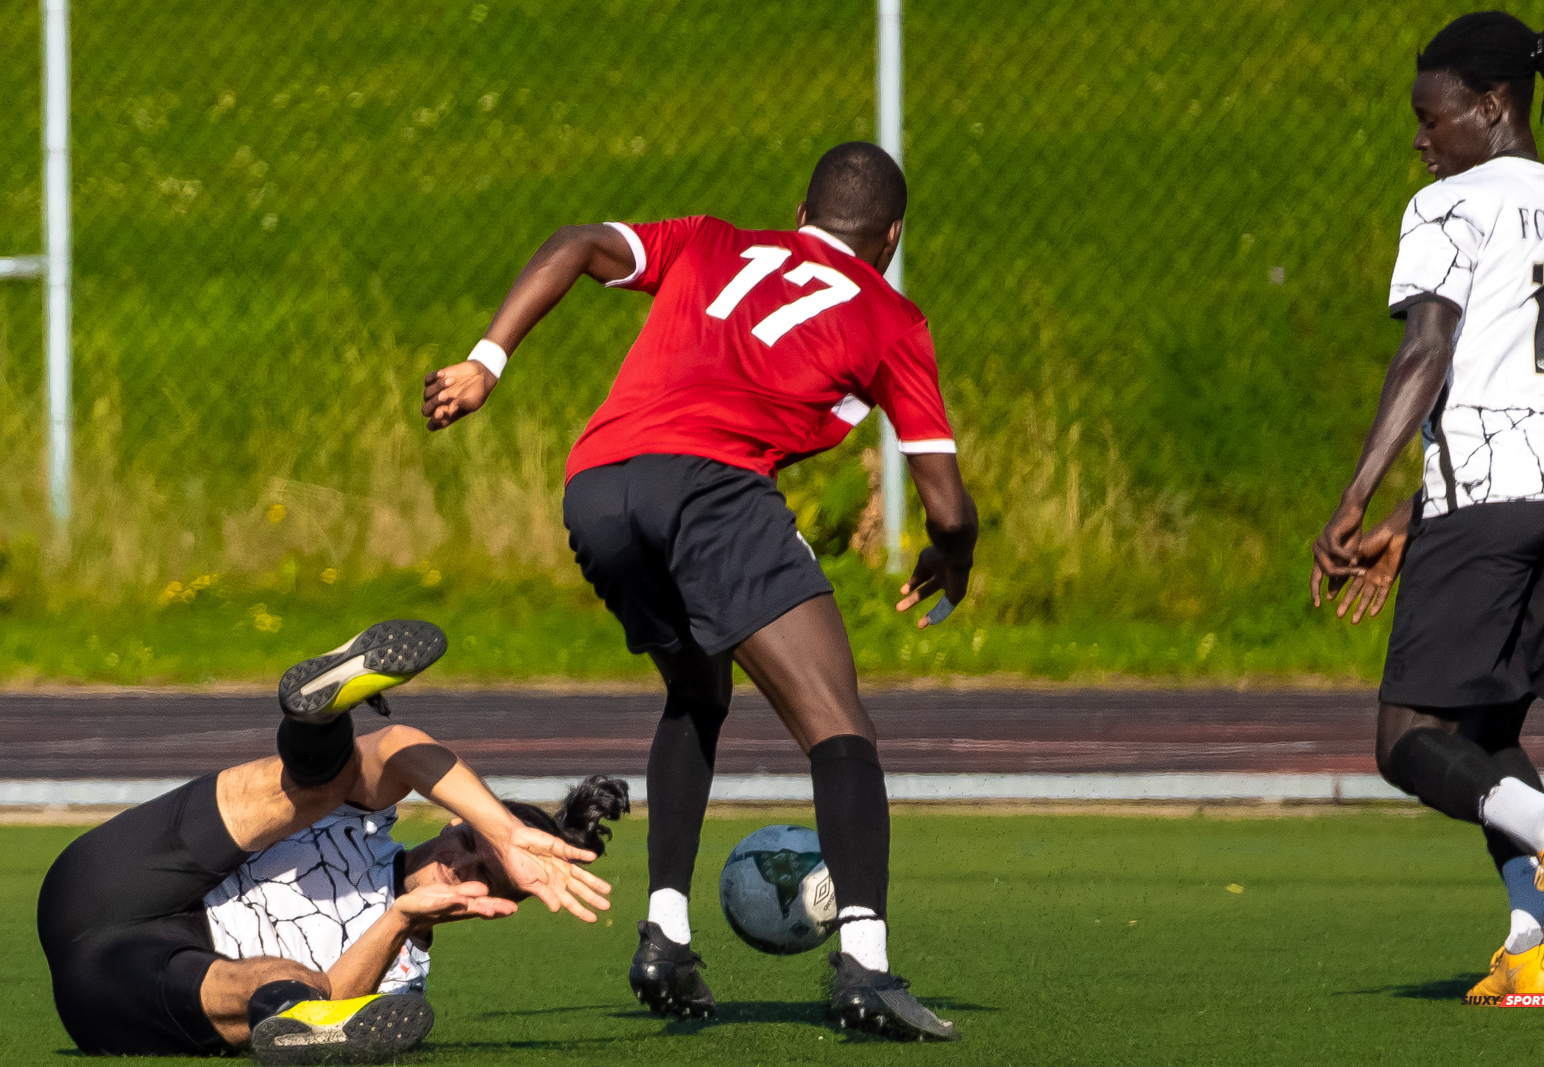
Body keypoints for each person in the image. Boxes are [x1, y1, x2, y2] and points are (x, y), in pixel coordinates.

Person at [421, 142, 977, 1041]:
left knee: (697, 688)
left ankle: (667, 935)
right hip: (709, 488)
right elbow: (945, 503)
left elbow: (572, 240)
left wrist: (487, 361)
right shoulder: (890, 317)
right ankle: (866, 965)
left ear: (801, 210)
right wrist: (957, 553)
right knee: (839, 725)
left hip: (598, 486)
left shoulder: (714, 241)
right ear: (893, 236)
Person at [1311, 3, 1544, 1006]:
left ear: (1489, 104)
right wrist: (1420, 507)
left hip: (1497, 500)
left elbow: (1428, 349)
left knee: (1405, 738)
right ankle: (1530, 936)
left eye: (1434, 119)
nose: (1420, 139)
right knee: (1485, 733)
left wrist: (1354, 497)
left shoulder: (1451, 204)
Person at [37, 620, 619, 1062]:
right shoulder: (366, 821)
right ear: (452, 823)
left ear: (490, 908)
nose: (459, 865)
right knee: (331, 784)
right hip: (106, 882)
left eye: (483, 877)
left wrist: (398, 920)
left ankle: (294, 1017)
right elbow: (398, 745)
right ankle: (319, 715)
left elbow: (342, 991)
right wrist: (505, 832)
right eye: (468, 843)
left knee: (308, 994)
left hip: (127, 982)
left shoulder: (401, 977)